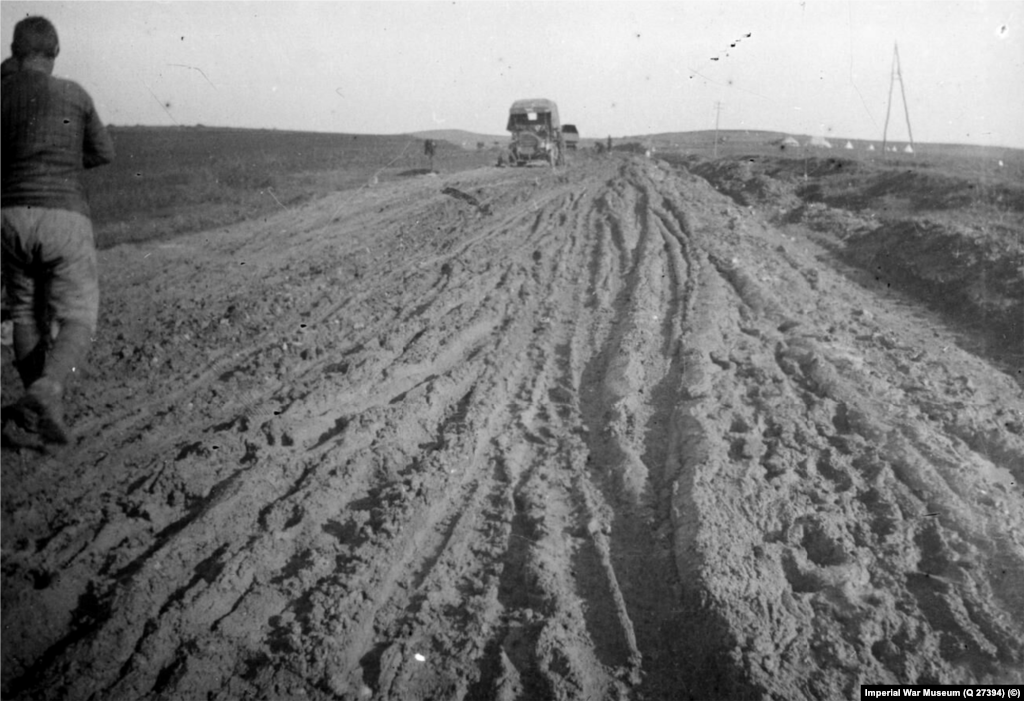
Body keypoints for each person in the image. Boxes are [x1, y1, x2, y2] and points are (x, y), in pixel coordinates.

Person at [0, 16, 115, 444]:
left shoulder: (2, 92)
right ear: (56, 53)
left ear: (14, 51)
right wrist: (65, 165)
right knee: (78, 315)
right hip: (65, 216)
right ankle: (49, 389)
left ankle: (32, 413)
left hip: (11, 216)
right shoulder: (74, 94)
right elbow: (104, 152)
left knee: (25, 311)